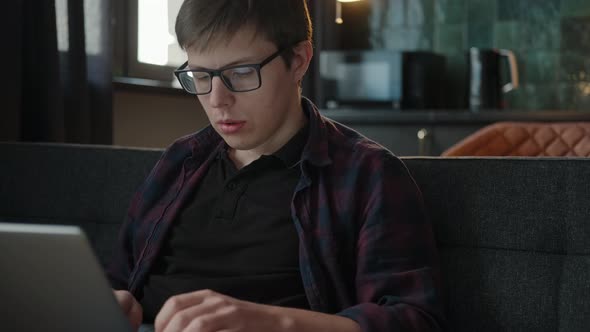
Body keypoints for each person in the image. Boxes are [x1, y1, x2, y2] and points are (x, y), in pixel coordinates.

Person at [108, 1, 445, 331]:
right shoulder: (180, 160)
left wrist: (274, 321)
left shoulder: (368, 174)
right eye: (199, 75)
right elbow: (119, 279)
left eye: (240, 73)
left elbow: (413, 319)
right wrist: (117, 303)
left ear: (298, 60)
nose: (216, 100)